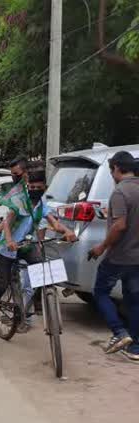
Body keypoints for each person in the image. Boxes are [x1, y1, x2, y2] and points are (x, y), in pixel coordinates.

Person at [0, 161, 76, 340]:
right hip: (8, 248)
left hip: (26, 247)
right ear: (27, 186)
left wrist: (67, 232)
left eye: (38, 187)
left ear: (44, 187)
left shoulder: (42, 205)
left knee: (43, 271)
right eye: (31, 186)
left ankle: (32, 309)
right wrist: (9, 240)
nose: (35, 189)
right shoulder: (21, 201)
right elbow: (7, 222)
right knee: (0, 286)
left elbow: (54, 223)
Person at [88, 151, 139, 359]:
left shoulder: (120, 192)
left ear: (117, 168)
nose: (112, 174)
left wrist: (101, 247)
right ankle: (135, 349)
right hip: (137, 259)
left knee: (100, 292)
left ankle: (119, 333)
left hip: (119, 256)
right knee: (135, 300)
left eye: (112, 170)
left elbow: (119, 226)